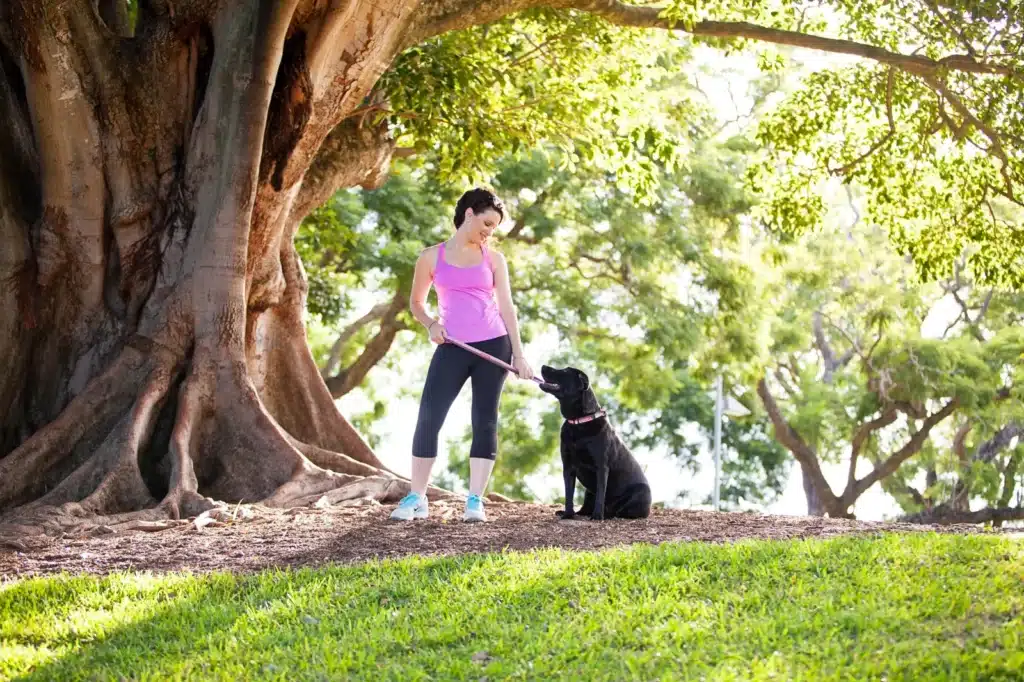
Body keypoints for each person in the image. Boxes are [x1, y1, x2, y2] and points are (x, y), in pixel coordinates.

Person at [390, 188, 534, 523]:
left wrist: (520, 355)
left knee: (484, 419)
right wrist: (430, 325)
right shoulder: (430, 257)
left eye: (494, 227)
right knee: (429, 415)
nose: (490, 231)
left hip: (494, 343)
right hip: (452, 346)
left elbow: (507, 308)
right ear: (468, 214)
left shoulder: (494, 259)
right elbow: (416, 304)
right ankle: (417, 496)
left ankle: (474, 500)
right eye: (486, 223)